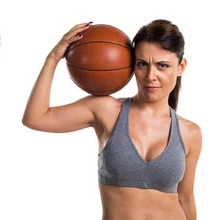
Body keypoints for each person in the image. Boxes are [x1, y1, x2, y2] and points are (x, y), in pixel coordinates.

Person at [22, 19, 202, 220]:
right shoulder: (107, 110)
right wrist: (53, 58)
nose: (151, 76)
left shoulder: (190, 132)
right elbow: (35, 118)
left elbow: (185, 199)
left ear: (181, 67)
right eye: (142, 64)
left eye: (162, 66)